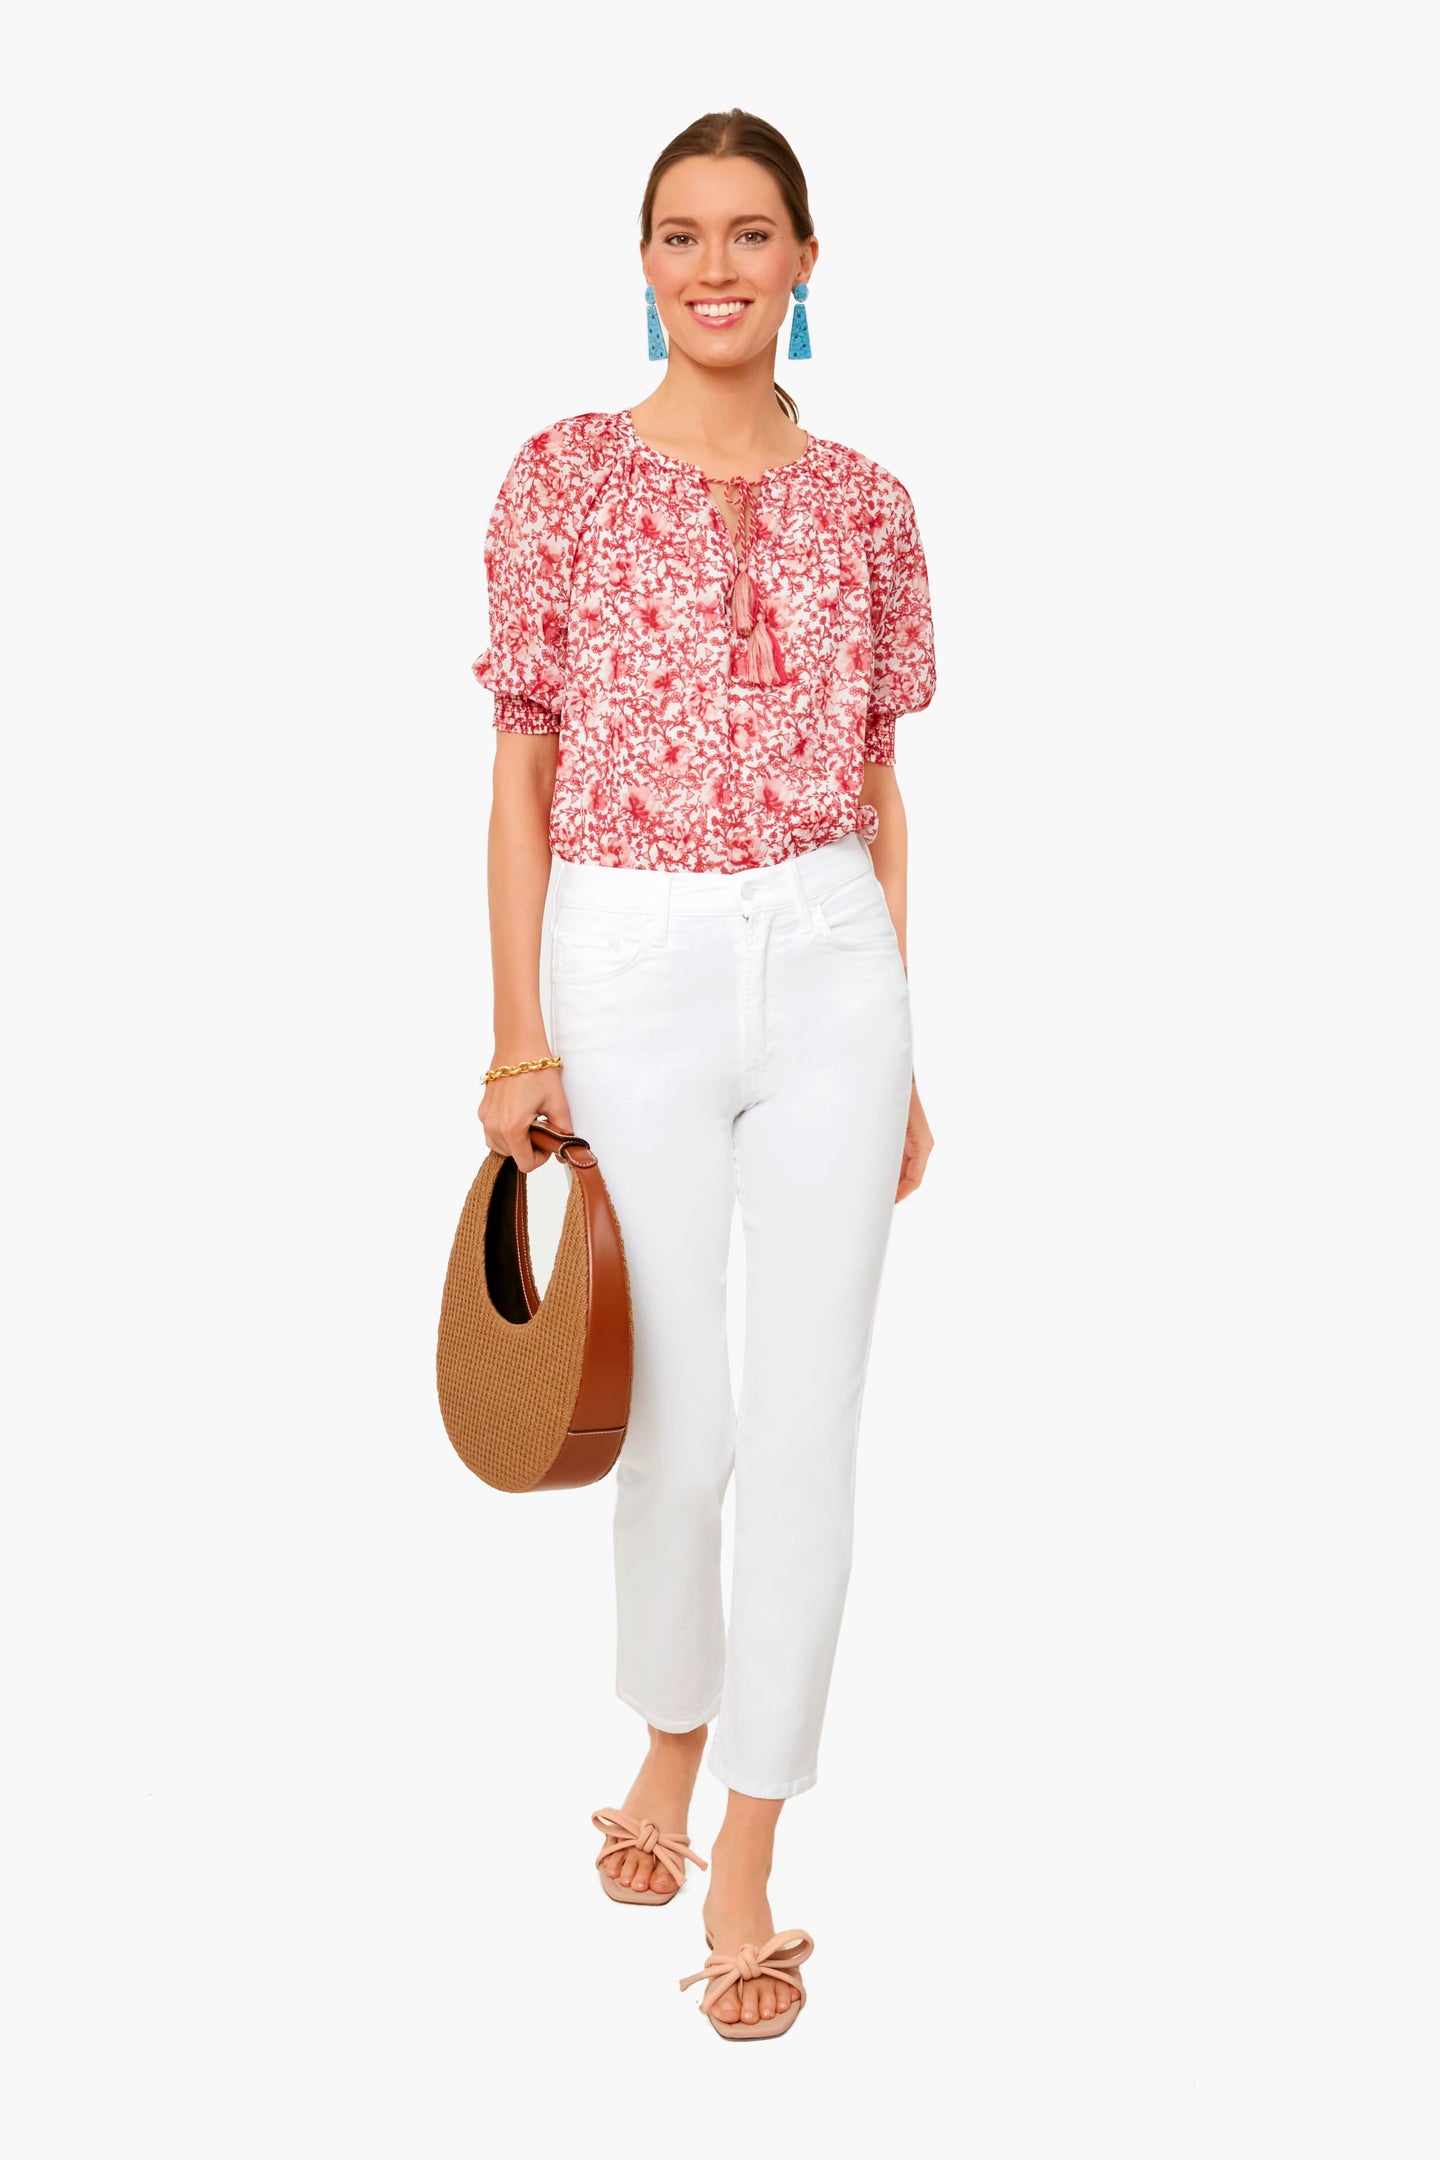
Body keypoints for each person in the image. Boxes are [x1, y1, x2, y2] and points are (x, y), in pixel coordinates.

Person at [472, 107, 938, 2039]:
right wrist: (517, 1036)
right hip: (628, 959)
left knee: (812, 1431)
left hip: (831, 962)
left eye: (755, 233)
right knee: (677, 1427)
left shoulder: (871, 505)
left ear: (806, 263)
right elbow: (521, 770)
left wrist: (906, 1038)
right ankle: (665, 1732)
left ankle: (747, 1836)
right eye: (684, 233)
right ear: (645, 260)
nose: (718, 266)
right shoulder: (564, 477)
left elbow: (883, 784)